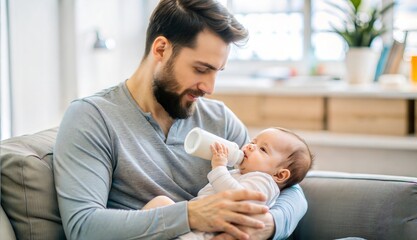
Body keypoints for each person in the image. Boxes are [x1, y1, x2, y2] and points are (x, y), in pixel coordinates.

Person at [53, 0, 308, 239]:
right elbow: (83, 227)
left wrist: (267, 225)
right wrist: (191, 215)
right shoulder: (93, 118)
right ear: (161, 49)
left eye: (217, 72)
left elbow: (290, 189)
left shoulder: (218, 118)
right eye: (201, 69)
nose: (209, 87)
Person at [143, 127, 314, 239]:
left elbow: (239, 198)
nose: (250, 147)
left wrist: (219, 168)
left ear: (280, 175)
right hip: (192, 225)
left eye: (263, 149)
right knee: (161, 203)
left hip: (208, 233)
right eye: (253, 142)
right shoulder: (241, 172)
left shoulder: (264, 182)